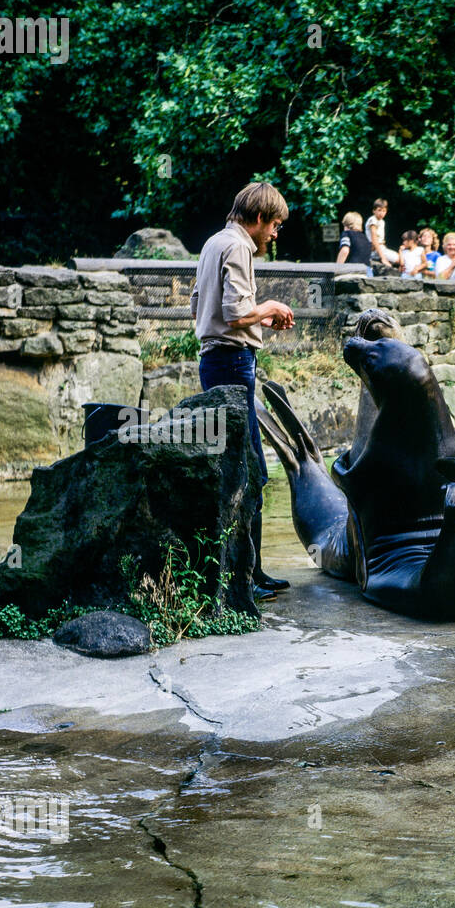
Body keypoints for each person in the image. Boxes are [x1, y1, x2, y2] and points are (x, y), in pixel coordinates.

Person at [189, 181, 294, 601]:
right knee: (251, 472)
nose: (275, 234)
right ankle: (244, 578)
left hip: (216, 360)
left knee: (238, 468)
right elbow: (233, 312)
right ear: (258, 218)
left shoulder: (214, 242)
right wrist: (268, 308)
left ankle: (250, 571)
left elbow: (200, 307)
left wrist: (256, 323)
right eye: (274, 225)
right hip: (232, 363)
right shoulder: (238, 248)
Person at [365, 198, 399, 267]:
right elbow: (374, 239)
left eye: (384, 211)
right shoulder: (373, 220)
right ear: (374, 211)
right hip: (375, 249)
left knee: (399, 258)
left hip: (381, 247)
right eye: (379, 210)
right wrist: (383, 258)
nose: (381, 213)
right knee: (399, 259)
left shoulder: (382, 221)